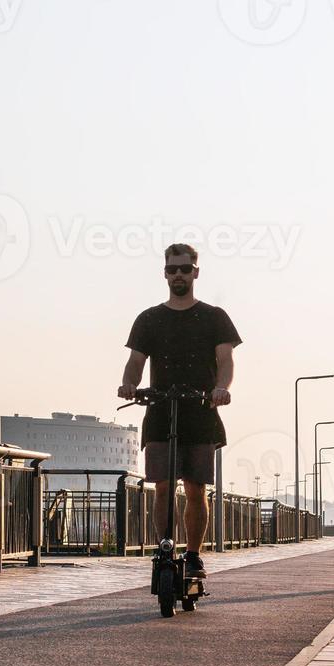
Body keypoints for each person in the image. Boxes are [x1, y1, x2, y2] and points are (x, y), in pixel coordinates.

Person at [118, 243, 242, 578]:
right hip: (160, 410)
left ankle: (192, 555)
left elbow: (225, 361)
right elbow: (135, 362)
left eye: (185, 269)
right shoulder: (149, 319)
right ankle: (164, 547)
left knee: (196, 487)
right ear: (164, 273)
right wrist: (129, 384)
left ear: (195, 272)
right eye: (172, 269)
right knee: (161, 485)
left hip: (200, 408)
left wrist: (221, 389)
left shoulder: (215, 317)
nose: (178, 275)